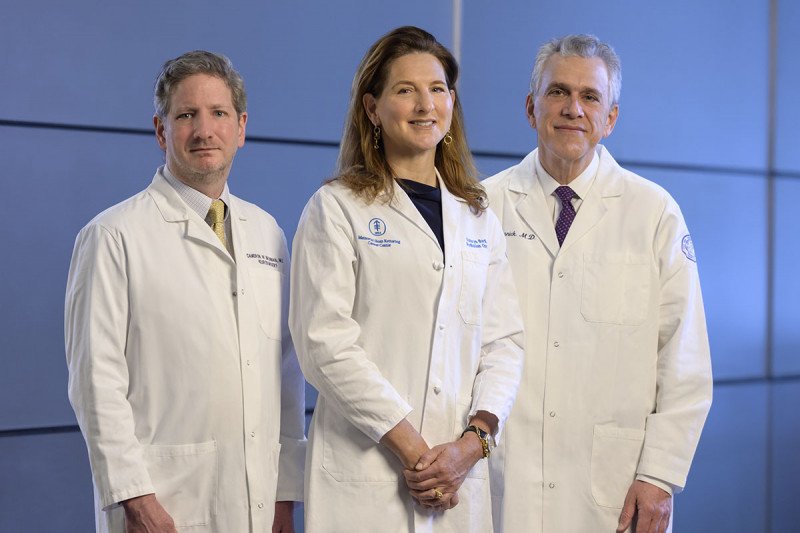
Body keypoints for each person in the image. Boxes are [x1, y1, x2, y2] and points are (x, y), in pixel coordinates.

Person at [289, 26, 524, 532]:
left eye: (437, 89)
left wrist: (470, 446)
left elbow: (504, 343)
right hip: (371, 476)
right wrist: (418, 454)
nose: (425, 104)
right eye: (405, 90)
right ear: (372, 108)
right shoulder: (336, 209)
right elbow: (323, 343)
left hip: (460, 477)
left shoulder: (478, 216)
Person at [65, 50, 305, 533]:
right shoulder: (113, 236)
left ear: (241, 127)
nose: (203, 131)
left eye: (218, 114)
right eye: (186, 115)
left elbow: (285, 374)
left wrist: (285, 493)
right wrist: (134, 498)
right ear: (161, 130)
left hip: (259, 503)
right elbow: (95, 383)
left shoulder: (268, 233)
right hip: (163, 505)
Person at [484, 34, 713, 533]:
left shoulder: (654, 214)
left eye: (590, 97)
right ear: (530, 107)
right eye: (558, 92)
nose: (573, 109)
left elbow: (685, 361)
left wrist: (659, 475)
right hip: (504, 481)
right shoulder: (482, 208)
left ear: (610, 118)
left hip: (614, 489)